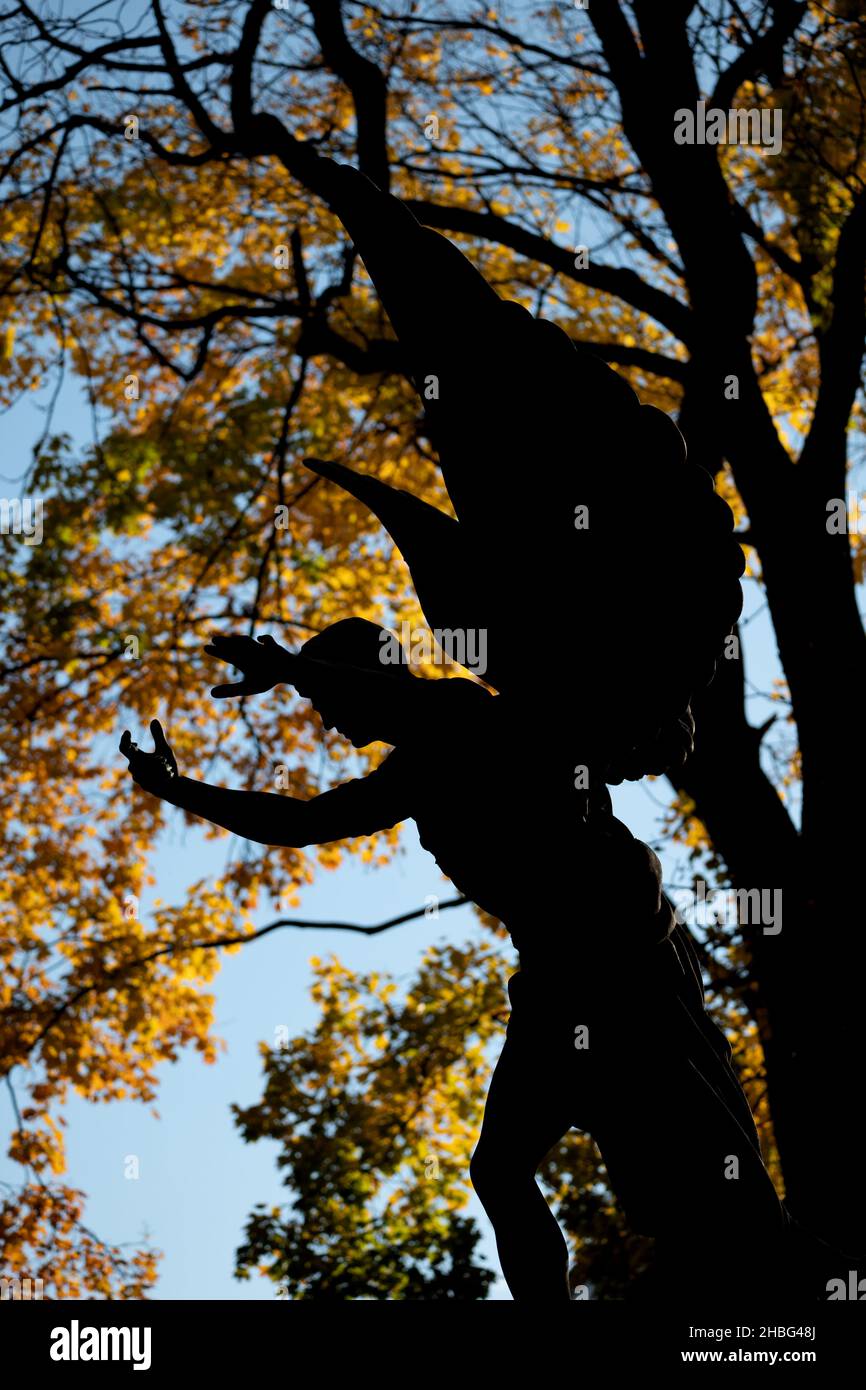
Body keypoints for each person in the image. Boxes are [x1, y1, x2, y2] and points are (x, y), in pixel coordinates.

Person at [120, 619, 790, 1299]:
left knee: (697, 1173)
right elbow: (301, 823)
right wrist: (181, 790)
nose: (324, 719)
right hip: (564, 978)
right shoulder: (411, 771)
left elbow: (399, 712)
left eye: (327, 698)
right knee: (504, 1169)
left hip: (617, 964)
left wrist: (293, 668)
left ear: (370, 677)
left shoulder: (460, 713)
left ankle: (772, 1276)